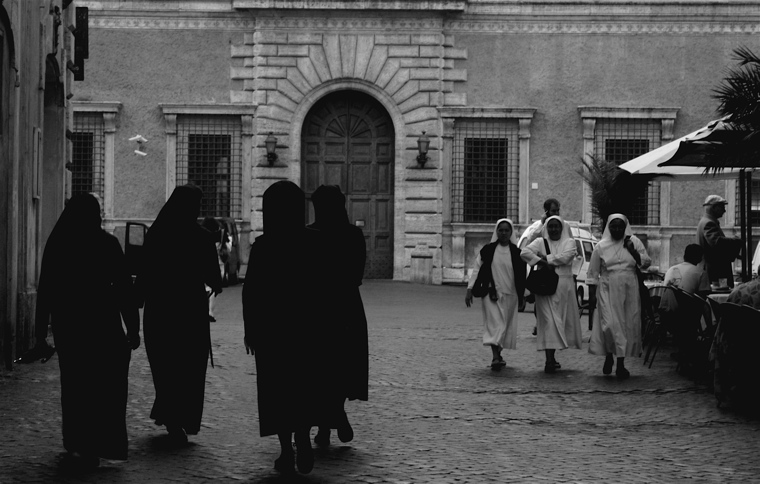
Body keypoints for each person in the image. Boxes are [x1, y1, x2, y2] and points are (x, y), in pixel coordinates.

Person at [34, 194, 140, 467]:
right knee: (104, 386)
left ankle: (76, 441)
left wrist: (39, 333)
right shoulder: (107, 244)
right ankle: (99, 442)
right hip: (103, 325)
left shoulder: (58, 243)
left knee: (75, 385)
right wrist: (133, 327)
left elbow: (45, 290)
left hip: (70, 326)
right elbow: (124, 289)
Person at [243, 181, 329, 475]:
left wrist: (250, 330)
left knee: (277, 390)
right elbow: (327, 291)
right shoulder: (316, 241)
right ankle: (303, 440)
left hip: (272, 332)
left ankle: (285, 450)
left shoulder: (265, 245)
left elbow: (251, 291)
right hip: (309, 331)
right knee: (304, 387)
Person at [136, 184, 222, 444]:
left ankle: (170, 416)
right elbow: (214, 279)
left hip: (159, 311)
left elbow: (144, 272)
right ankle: (182, 418)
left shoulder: (156, 233)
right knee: (189, 367)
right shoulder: (202, 237)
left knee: (165, 365)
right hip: (190, 312)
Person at [307, 185, 368, 448]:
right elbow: (357, 276)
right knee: (342, 366)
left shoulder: (307, 234)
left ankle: (327, 423)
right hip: (346, 308)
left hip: (314, 310)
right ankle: (335, 415)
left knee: (318, 369)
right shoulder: (353, 234)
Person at [587, 214, 651, 379]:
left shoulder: (634, 242)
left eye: (620, 226)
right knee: (609, 324)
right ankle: (609, 355)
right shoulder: (601, 246)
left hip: (629, 287)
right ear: (609, 227)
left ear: (625, 227)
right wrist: (592, 295)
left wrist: (632, 250)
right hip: (607, 288)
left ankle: (621, 364)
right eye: (613, 226)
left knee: (625, 324)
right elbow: (593, 273)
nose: (617, 229)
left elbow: (646, 263)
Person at [521, 216, 583, 373]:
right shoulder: (541, 242)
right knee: (549, 321)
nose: (554, 229)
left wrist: (546, 258)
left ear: (562, 228)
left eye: (557, 226)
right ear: (547, 228)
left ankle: (552, 357)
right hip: (546, 287)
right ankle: (549, 359)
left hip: (564, 287)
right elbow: (524, 252)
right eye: (551, 226)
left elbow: (566, 256)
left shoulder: (569, 242)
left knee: (559, 320)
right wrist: (541, 262)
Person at [465, 218, 527, 370]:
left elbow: (522, 275)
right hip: (491, 294)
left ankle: (498, 353)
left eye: (507, 230)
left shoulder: (517, 253)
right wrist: (470, 289)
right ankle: (495, 357)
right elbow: (476, 269)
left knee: (505, 326)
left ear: (511, 232)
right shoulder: (487, 250)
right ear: (496, 232)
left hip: (511, 295)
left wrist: (523, 295)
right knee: (495, 325)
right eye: (501, 230)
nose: (504, 233)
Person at [518, 199, 561, 336]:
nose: (556, 213)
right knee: (540, 296)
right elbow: (530, 243)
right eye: (553, 210)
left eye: (557, 210)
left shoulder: (561, 225)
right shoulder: (539, 226)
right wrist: (541, 225)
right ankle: (540, 323)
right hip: (542, 267)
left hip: (558, 266)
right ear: (547, 211)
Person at [696, 195, 743, 288]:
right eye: (722, 207)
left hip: (714, 270)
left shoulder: (707, 221)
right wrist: (736, 241)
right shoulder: (708, 223)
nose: (724, 210)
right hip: (716, 271)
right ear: (714, 207)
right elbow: (717, 243)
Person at [659, 244, 710, 314]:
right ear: (700, 258)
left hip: (664, 313)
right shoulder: (701, 273)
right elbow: (703, 298)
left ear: (684, 256)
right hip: (687, 315)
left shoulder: (671, 269)